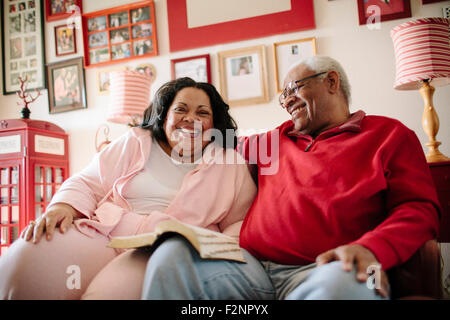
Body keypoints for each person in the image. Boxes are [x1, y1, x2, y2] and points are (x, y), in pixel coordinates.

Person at [141, 56, 441, 300]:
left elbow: (419, 209)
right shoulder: (274, 141)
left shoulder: (387, 136)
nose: (286, 101)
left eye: (293, 89)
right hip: (251, 269)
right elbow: (210, 139)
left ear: (331, 81)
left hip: (332, 268)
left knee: (344, 286)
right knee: (173, 255)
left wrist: (373, 248)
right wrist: (145, 134)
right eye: (282, 96)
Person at [0, 77, 256, 299]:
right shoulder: (136, 141)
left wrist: (210, 256)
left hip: (163, 251)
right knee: (26, 263)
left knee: (110, 294)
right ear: (164, 115)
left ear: (214, 124)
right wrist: (63, 206)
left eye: (202, 113)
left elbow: (240, 223)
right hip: (105, 233)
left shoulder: (229, 162)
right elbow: (88, 181)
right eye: (181, 109)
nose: (190, 119)